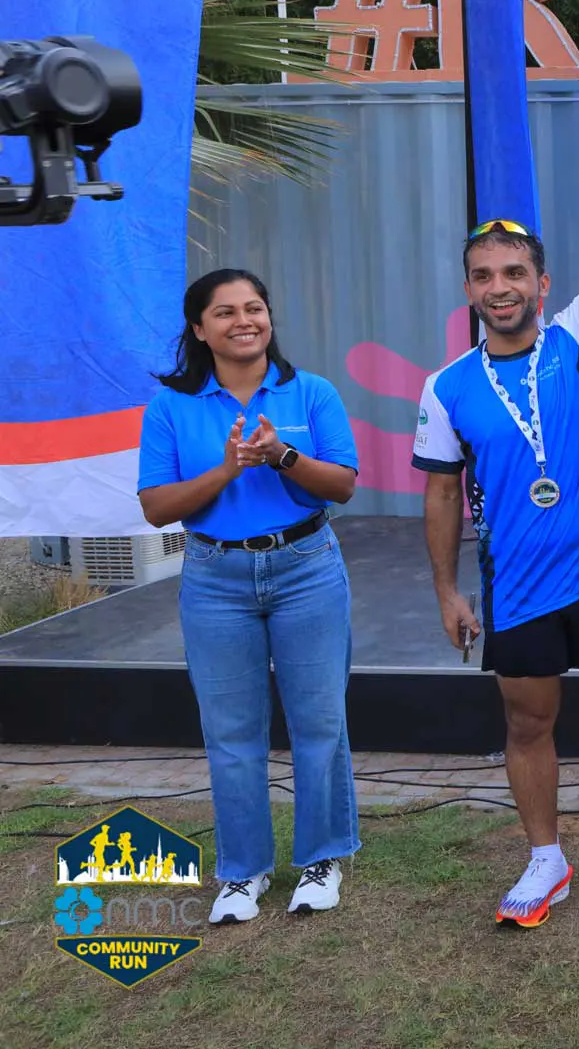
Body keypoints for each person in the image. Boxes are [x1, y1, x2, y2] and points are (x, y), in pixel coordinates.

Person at [412, 91, 579, 927]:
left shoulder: (578, 338)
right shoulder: (447, 388)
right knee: (528, 724)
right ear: (469, 288)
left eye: (514, 273)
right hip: (520, 588)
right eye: (484, 276)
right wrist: (446, 592)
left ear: (542, 282)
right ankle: (545, 859)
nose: (500, 288)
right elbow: (440, 492)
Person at [137, 268, 361, 922]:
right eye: (226, 312)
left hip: (306, 569)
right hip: (215, 579)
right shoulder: (171, 407)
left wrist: (282, 456)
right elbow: (157, 507)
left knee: (319, 722)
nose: (244, 321)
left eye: (254, 308)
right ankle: (243, 872)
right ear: (199, 329)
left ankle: (321, 859)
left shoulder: (311, 392)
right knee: (231, 732)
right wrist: (229, 468)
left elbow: (343, 485)